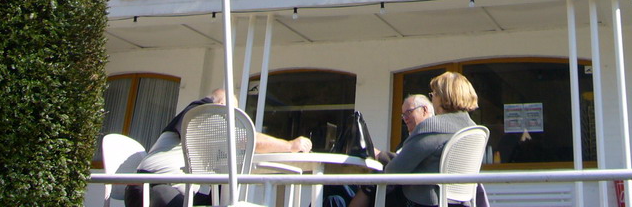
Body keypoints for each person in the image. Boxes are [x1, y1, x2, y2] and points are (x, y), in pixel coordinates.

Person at [126, 88, 312, 207]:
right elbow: (247, 139)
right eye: (232, 114)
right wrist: (289, 145)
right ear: (222, 105)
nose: (230, 120)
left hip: (172, 190)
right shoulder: (201, 112)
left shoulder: (208, 136)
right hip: (152, 189)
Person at [380, 72, 479, 207]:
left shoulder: (432, 125)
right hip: (462, 202)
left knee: (374, 190)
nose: (432, 100)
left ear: (443, 96)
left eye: (433, 94)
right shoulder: (474, 129)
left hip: (428, 201)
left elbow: (394, 171)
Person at [344, 95, 434, 207]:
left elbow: (404, 163)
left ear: (424, 110)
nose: (405, 118)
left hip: (415, 196)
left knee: (371, 182)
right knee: (342, 188)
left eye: (409, 112)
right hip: (398, 188)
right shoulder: (409, 139)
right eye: (403, 115)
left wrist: (378, 155)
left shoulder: (429, 134)